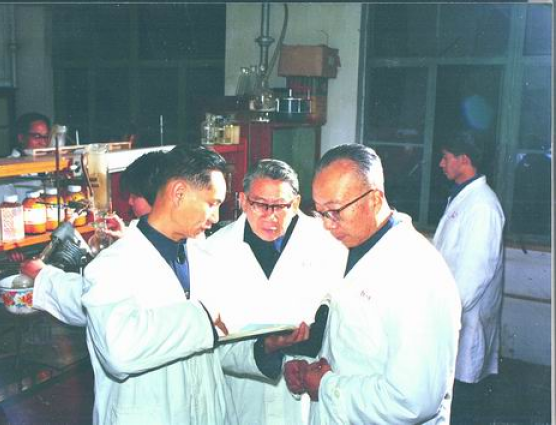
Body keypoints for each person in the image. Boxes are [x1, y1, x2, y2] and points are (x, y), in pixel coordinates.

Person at [79, 145, 307, 424]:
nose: (215, 218)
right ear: (178, 193)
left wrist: (265, 347)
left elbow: (214, 346)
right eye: (211, 203)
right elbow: (120, 351)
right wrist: (205, 316)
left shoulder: (203, 258)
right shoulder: (112, 266)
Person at [284, 143, 462, 424]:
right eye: (320, 212)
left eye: (335, 211)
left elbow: (413, 400)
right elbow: (356, 344)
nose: (327, 225)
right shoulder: (350, 247)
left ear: (375, 200)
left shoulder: (417, 273)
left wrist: (327, 387)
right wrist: (311, 369)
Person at [198, 159, 347, 425]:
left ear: (296, 203)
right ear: (243, 201)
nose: (270, 215)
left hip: (307, 393)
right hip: (244, 395)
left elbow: (343, 327)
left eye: (280, 206)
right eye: (259, 204)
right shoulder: (212, 251)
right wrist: (265, 348)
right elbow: (209, 343)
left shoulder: (330, 245)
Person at [22, 151, 167, 326]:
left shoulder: (128, 256)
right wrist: (127, 237)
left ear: (157, 196)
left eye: (135, 196)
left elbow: (89, 301)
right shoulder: (177, 232)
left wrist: (42, 275)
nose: (130, 202)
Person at [433, 131, 505, 425]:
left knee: (463, 404)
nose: (441, 164)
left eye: (446, 157)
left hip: (465, 321)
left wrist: (442, 319)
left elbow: (473, 276)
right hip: (454, 319)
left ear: (464, 160)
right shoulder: (463, 197)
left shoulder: (483, 206)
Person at [0, 112, 53, 206]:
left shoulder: (49, 164)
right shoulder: (4, 170)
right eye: (37, 136)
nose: (43, 142)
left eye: (46, 137)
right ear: (21, 138)